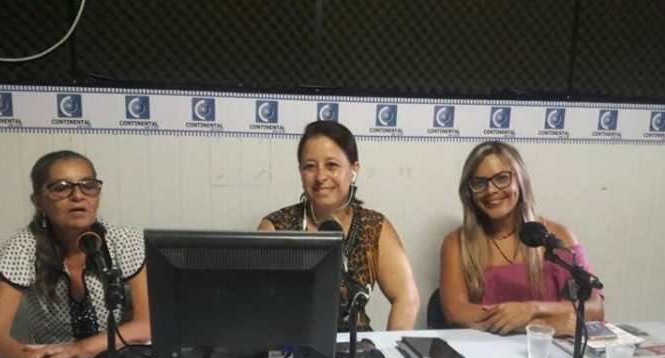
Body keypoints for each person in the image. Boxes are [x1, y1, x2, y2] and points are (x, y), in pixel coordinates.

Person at [0, 151, 150, 358]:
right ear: (38, 202)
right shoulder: (22, 247)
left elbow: (145, 324)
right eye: (61, 188)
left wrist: (79, 349)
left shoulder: (125, 241)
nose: (78, 196)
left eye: (88, 186)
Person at [258, 121, 420, 331]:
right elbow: (257, 305)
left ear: (353, 170)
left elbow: (407, 298)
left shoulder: (374, 227)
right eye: (310, 166)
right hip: (291, 348)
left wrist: (389, 347)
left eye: (332, 165)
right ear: (300, 172)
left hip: (356, 345)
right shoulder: (275, 228)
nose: (320, 176)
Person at [439, 141, 603, 335]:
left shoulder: (558, 236)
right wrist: (541, 325)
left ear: (520, 180)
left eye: (501, 178)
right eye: (479, 183)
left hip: (551, 349)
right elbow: (456, 312)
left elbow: (595, 308)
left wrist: (531, 309)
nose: (491, 190)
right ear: (469, 192)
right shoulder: (457, 244)